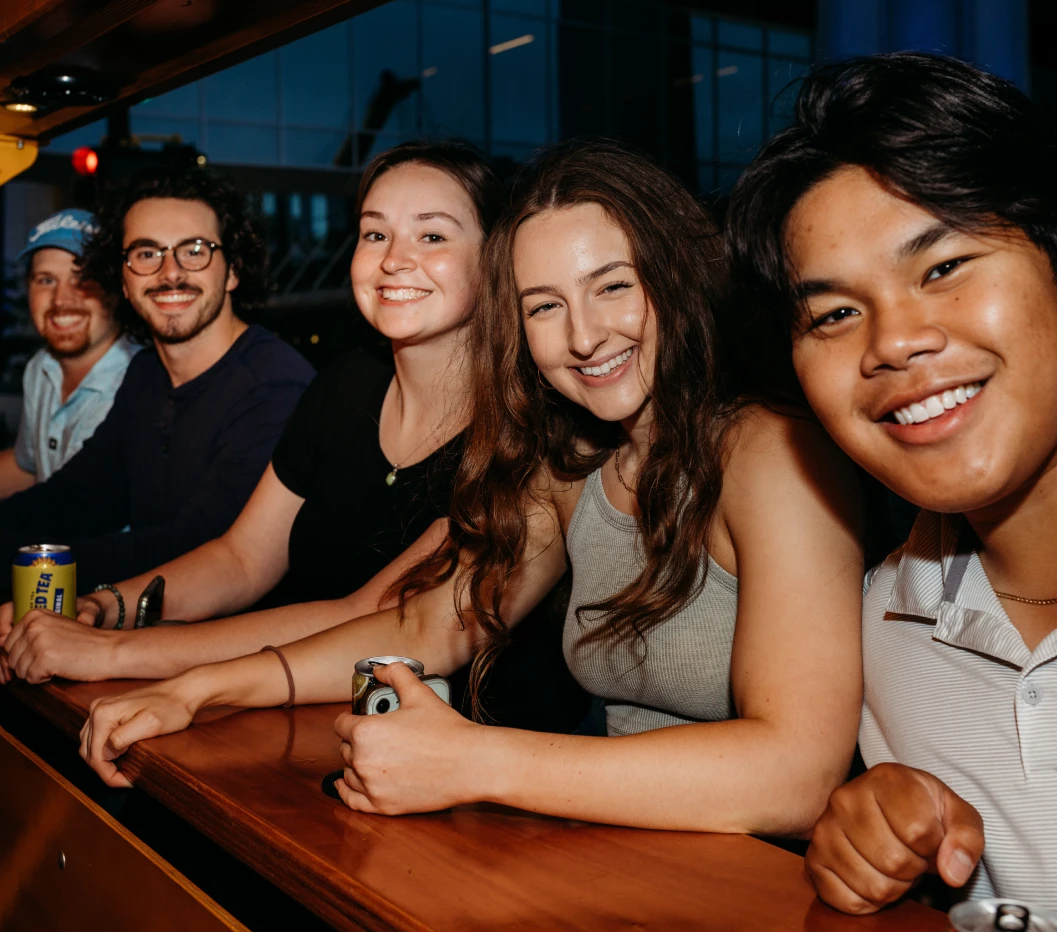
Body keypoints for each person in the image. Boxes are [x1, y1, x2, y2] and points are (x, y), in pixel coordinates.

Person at [79, 140, 865, 839]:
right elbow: (426, 627)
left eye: (614, 287)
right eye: (545, 307)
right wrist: (199, 690)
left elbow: (795, 773)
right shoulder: (569, 463)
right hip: (627, 861)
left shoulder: (771, 451)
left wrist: (475, 761)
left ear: (676, 278)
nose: (584, 335)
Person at [726, 52, 1057, 932]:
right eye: (834, 315)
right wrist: (869, 835)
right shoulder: (886, 629)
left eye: (945, 265)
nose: (897, 342)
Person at [0, 142, 587, 734]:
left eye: (432, 236)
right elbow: (243, 557)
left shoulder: (525, 431)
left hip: (479, 788)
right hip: (312, 735)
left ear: (495, 258)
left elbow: (377, 619)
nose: (393, 260)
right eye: (374, 234)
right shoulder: (345, 385)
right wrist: (106, 606)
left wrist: (118, 655)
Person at [0, 166, 314, 595]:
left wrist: (34, 564)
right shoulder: (146, 372)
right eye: (147, 253)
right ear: (124, 281)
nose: (170, 272)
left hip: (243, 648)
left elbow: (194, 548)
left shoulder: (275, 388)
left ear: (233, 270)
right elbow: (79, 499)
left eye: (194, 250)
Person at [0, 209, 138, 499]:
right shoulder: (41, 368)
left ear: (116, 290)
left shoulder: (143, 384)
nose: (62, 299)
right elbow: (28, 468)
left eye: (83, 278)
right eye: (46, 280)